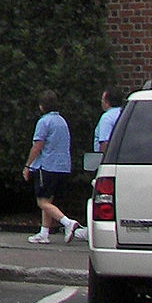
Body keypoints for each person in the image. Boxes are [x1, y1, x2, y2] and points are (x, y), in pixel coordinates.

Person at [24, 90, 85, 244]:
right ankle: (44, 232)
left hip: (48, 166)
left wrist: (27, 165)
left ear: (42, 106)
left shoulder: (44, 122)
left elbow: (38, 146)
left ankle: (68, 223)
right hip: (63, 166)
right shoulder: (62, 121)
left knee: (42, 202)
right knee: (48, 201)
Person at [94, 88, 123, 154]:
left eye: (102, 100)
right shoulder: (124, 113)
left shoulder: (107, 117)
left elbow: (104, 143)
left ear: (107, 102)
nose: (101, 102)